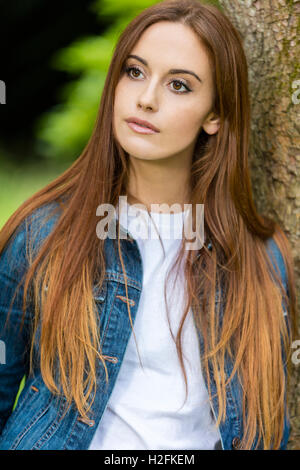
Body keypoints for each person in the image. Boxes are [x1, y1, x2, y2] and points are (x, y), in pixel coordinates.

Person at [0, 0, 297, 450]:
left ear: (215, 116)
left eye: (179, 85)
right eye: (135, 72)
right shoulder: (43, 234)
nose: (146, 98)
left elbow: (268, 427)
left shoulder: (260, 256)